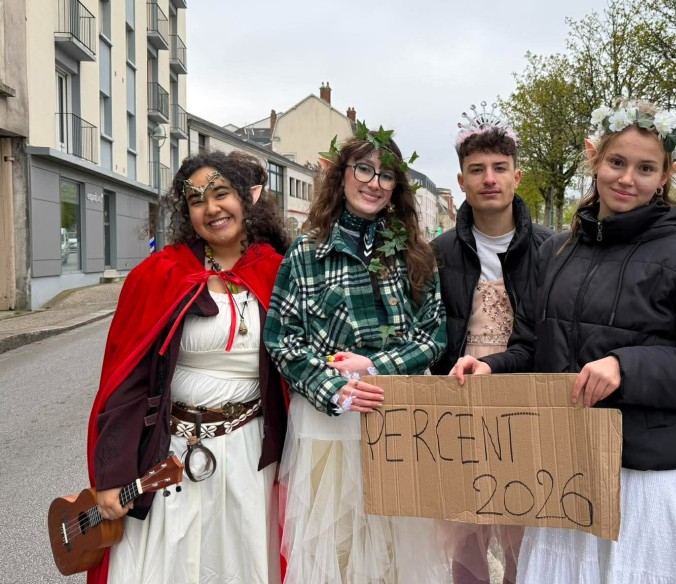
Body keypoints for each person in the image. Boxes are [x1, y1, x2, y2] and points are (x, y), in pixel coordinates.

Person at [452, 99, 676, 584]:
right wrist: (492, 368)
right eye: (617, 162)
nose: (628, 179)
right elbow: (532, 345)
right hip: (570, 472)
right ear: (594, 157)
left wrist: (626, 367)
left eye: (646, 168)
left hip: (646, 482)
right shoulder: (559, 252)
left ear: (668, 173)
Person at [86, 150, 291, 584]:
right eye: (197, 200)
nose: (212, 208)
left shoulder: (278, 271)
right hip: (171, 452)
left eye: (222, 194)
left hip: (250, 453)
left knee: (241, 562)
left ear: (246, 199)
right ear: (187, 212)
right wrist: (112, 475)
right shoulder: (159, 274)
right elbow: (126, 383)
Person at [263, 125, 448, 583]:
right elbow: (282, 340)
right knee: (337, 549)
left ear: (396, 188)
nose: (373, 182)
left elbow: (433, 337)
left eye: (386, 176)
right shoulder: (307, 252)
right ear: (342, 176)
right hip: (331, 424)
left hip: (397, 414)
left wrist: (373, 368)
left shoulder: (415, 253)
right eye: (363, 169)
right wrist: (337, 390)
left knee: (396, 549)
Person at [431, 103, 553, 584]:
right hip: (460, 396)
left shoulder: (552, 249)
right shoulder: (439, 252)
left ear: (517, 176)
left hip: (524, 393)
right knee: (464, 523)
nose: (489, 179)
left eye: (499, 168)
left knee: (526, 520)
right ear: (460, 181)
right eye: (476, 170)